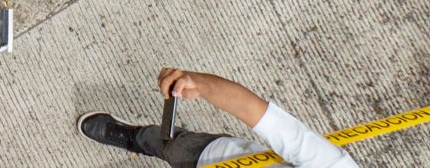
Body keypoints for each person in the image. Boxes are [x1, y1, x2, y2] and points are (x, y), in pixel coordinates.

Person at [80, 67, 362, 166]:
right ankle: (135, 138)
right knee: (169, 145)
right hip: (209, 158)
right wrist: (200, 84)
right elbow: (266, 119)